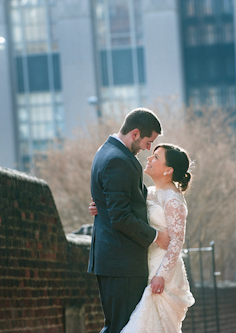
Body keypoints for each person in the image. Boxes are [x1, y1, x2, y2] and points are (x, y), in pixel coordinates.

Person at [90, 143, 195, 333]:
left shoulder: (173, 200)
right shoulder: (150, 192)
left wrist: (161, 276)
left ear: (168, 170)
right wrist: (101, 207)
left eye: (156, 157)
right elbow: (125, 213)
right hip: (143, 263)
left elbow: (177, 242)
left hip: (161, 271)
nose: (149, 159)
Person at [88, 108, 171, 333]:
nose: (147, 149)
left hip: (114, 259)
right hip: (120, 260)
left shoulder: (106, 152)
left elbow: (116, 204)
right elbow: (121, 216)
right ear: (135, 133)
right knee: (122, 327)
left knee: (122, 326)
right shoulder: (118, 160)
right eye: (147, 142)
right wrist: (156, 236)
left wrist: (102, 208)